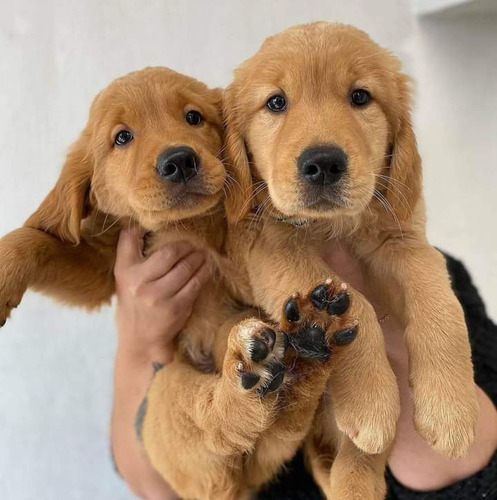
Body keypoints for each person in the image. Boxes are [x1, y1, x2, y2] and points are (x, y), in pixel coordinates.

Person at [111, 227, 497, 500]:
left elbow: (456, 459)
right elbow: (157, 488)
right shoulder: (176, 288)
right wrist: (140, 344)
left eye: (359, 104)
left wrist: (372, 306)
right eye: (277, 106)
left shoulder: (435, 274)